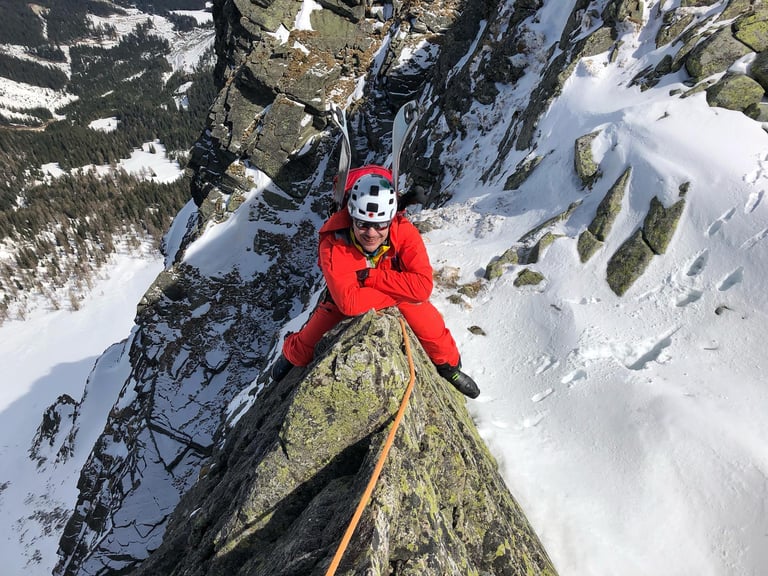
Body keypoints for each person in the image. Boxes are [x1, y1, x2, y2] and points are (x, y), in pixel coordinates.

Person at [271, 165, 480, 398]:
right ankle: (291, 354)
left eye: (380, 225)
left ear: (391, 220)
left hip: (372, 286)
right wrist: (403, 290)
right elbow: (350, 304)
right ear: (351, 217)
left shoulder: (404, 231)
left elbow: (423, 288)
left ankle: (449, 368)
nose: (371, 233)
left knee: (434, 332)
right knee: (308, 342)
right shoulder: (334, 241)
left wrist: (372, 277)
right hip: (370, 291)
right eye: (362, 224)